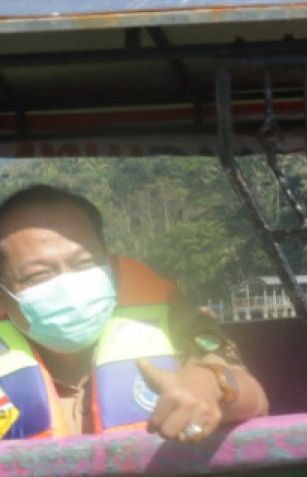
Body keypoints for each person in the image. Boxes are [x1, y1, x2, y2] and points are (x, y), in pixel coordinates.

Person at [0, 185, 268, 442]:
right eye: (38, 275)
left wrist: (208, 385)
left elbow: (255, 397)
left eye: (85, 263)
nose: (68, 284)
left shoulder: (168, 321)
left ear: (111, 266)